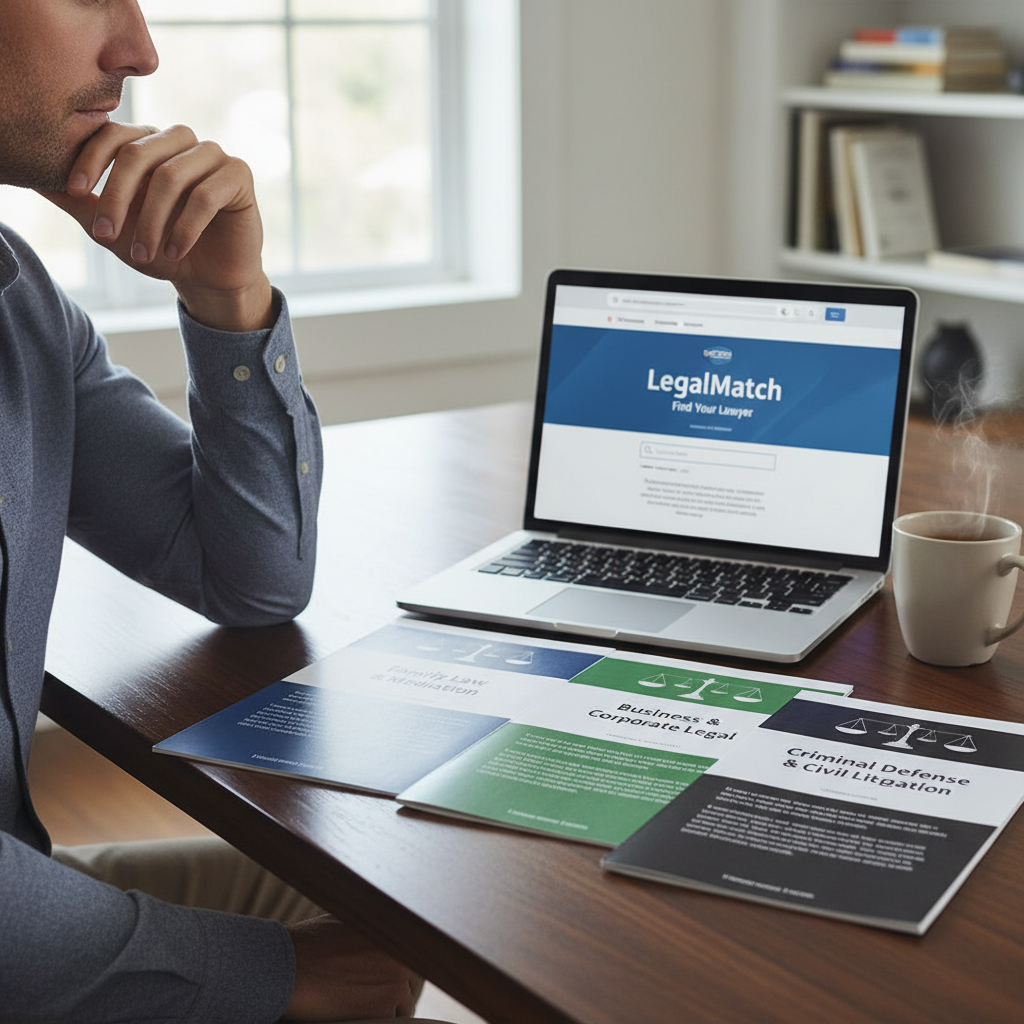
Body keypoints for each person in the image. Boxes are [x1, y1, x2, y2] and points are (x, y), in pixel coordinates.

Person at [0, 1, 430, 1020]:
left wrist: (228, 301)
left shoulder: (18, 301)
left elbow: (251, 577)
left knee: (381, 912)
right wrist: (276, 977)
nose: (139, 51)